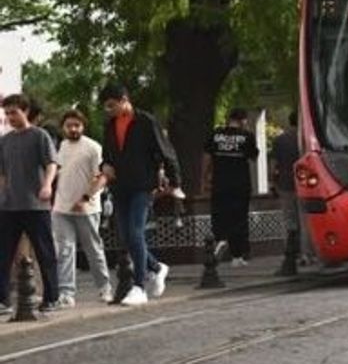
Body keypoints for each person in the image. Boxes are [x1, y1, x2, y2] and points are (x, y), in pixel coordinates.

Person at [99, 83, 183, 306]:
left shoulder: (145, 121)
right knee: (126, 236)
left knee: (136, 232)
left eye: (112, 105)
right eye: (106, 107)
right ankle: (156, 267)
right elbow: (106, 156)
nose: (109, 110)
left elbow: (166, 151)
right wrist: (104, 166)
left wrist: (175, 182)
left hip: (143, 185)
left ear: (124, 100)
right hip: (120, 186)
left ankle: (139, 286)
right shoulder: (110, 125)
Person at [0, 93, 62, 314]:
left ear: (25, 111)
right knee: (3, 254)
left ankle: (52, 297)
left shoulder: (39, 136)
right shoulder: (4, 141)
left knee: (45, 253)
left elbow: (52, 163)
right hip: (9, 206)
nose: (10, 117)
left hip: (36, 204)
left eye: (14, 113)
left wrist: (47, 185)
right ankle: (3, 300)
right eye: (7, 113)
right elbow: (2, 173)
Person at [52, 110, 112, 306]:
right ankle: (66, 293)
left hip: (87, 208)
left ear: (83, 126)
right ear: (63, 127)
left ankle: (104, 287)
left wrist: (86, 197)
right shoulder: (61, 147)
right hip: (62, 207)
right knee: (64, 250)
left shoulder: (93, 147)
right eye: (69, 125)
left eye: (76, 125)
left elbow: (102, 177)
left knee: (93, 249)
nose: (73, 129)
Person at [203, 108, 258, 267]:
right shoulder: (247, 136)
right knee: (239, 218)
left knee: (219, 214)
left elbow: (207, 157)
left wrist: (204, 178)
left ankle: (220, 239)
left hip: (220, 183)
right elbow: (253, 157)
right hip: (240, 184)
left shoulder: (216, 134)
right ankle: (237, 256)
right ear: (243, 120)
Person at [270, 111, 313, 275]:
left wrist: (273, 182)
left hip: (285, 184)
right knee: (305, 220)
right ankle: (306, 254)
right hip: (304, 184)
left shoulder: (279, 140)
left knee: (289, 219)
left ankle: (290, 253)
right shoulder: (306, 140)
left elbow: (273, 164)